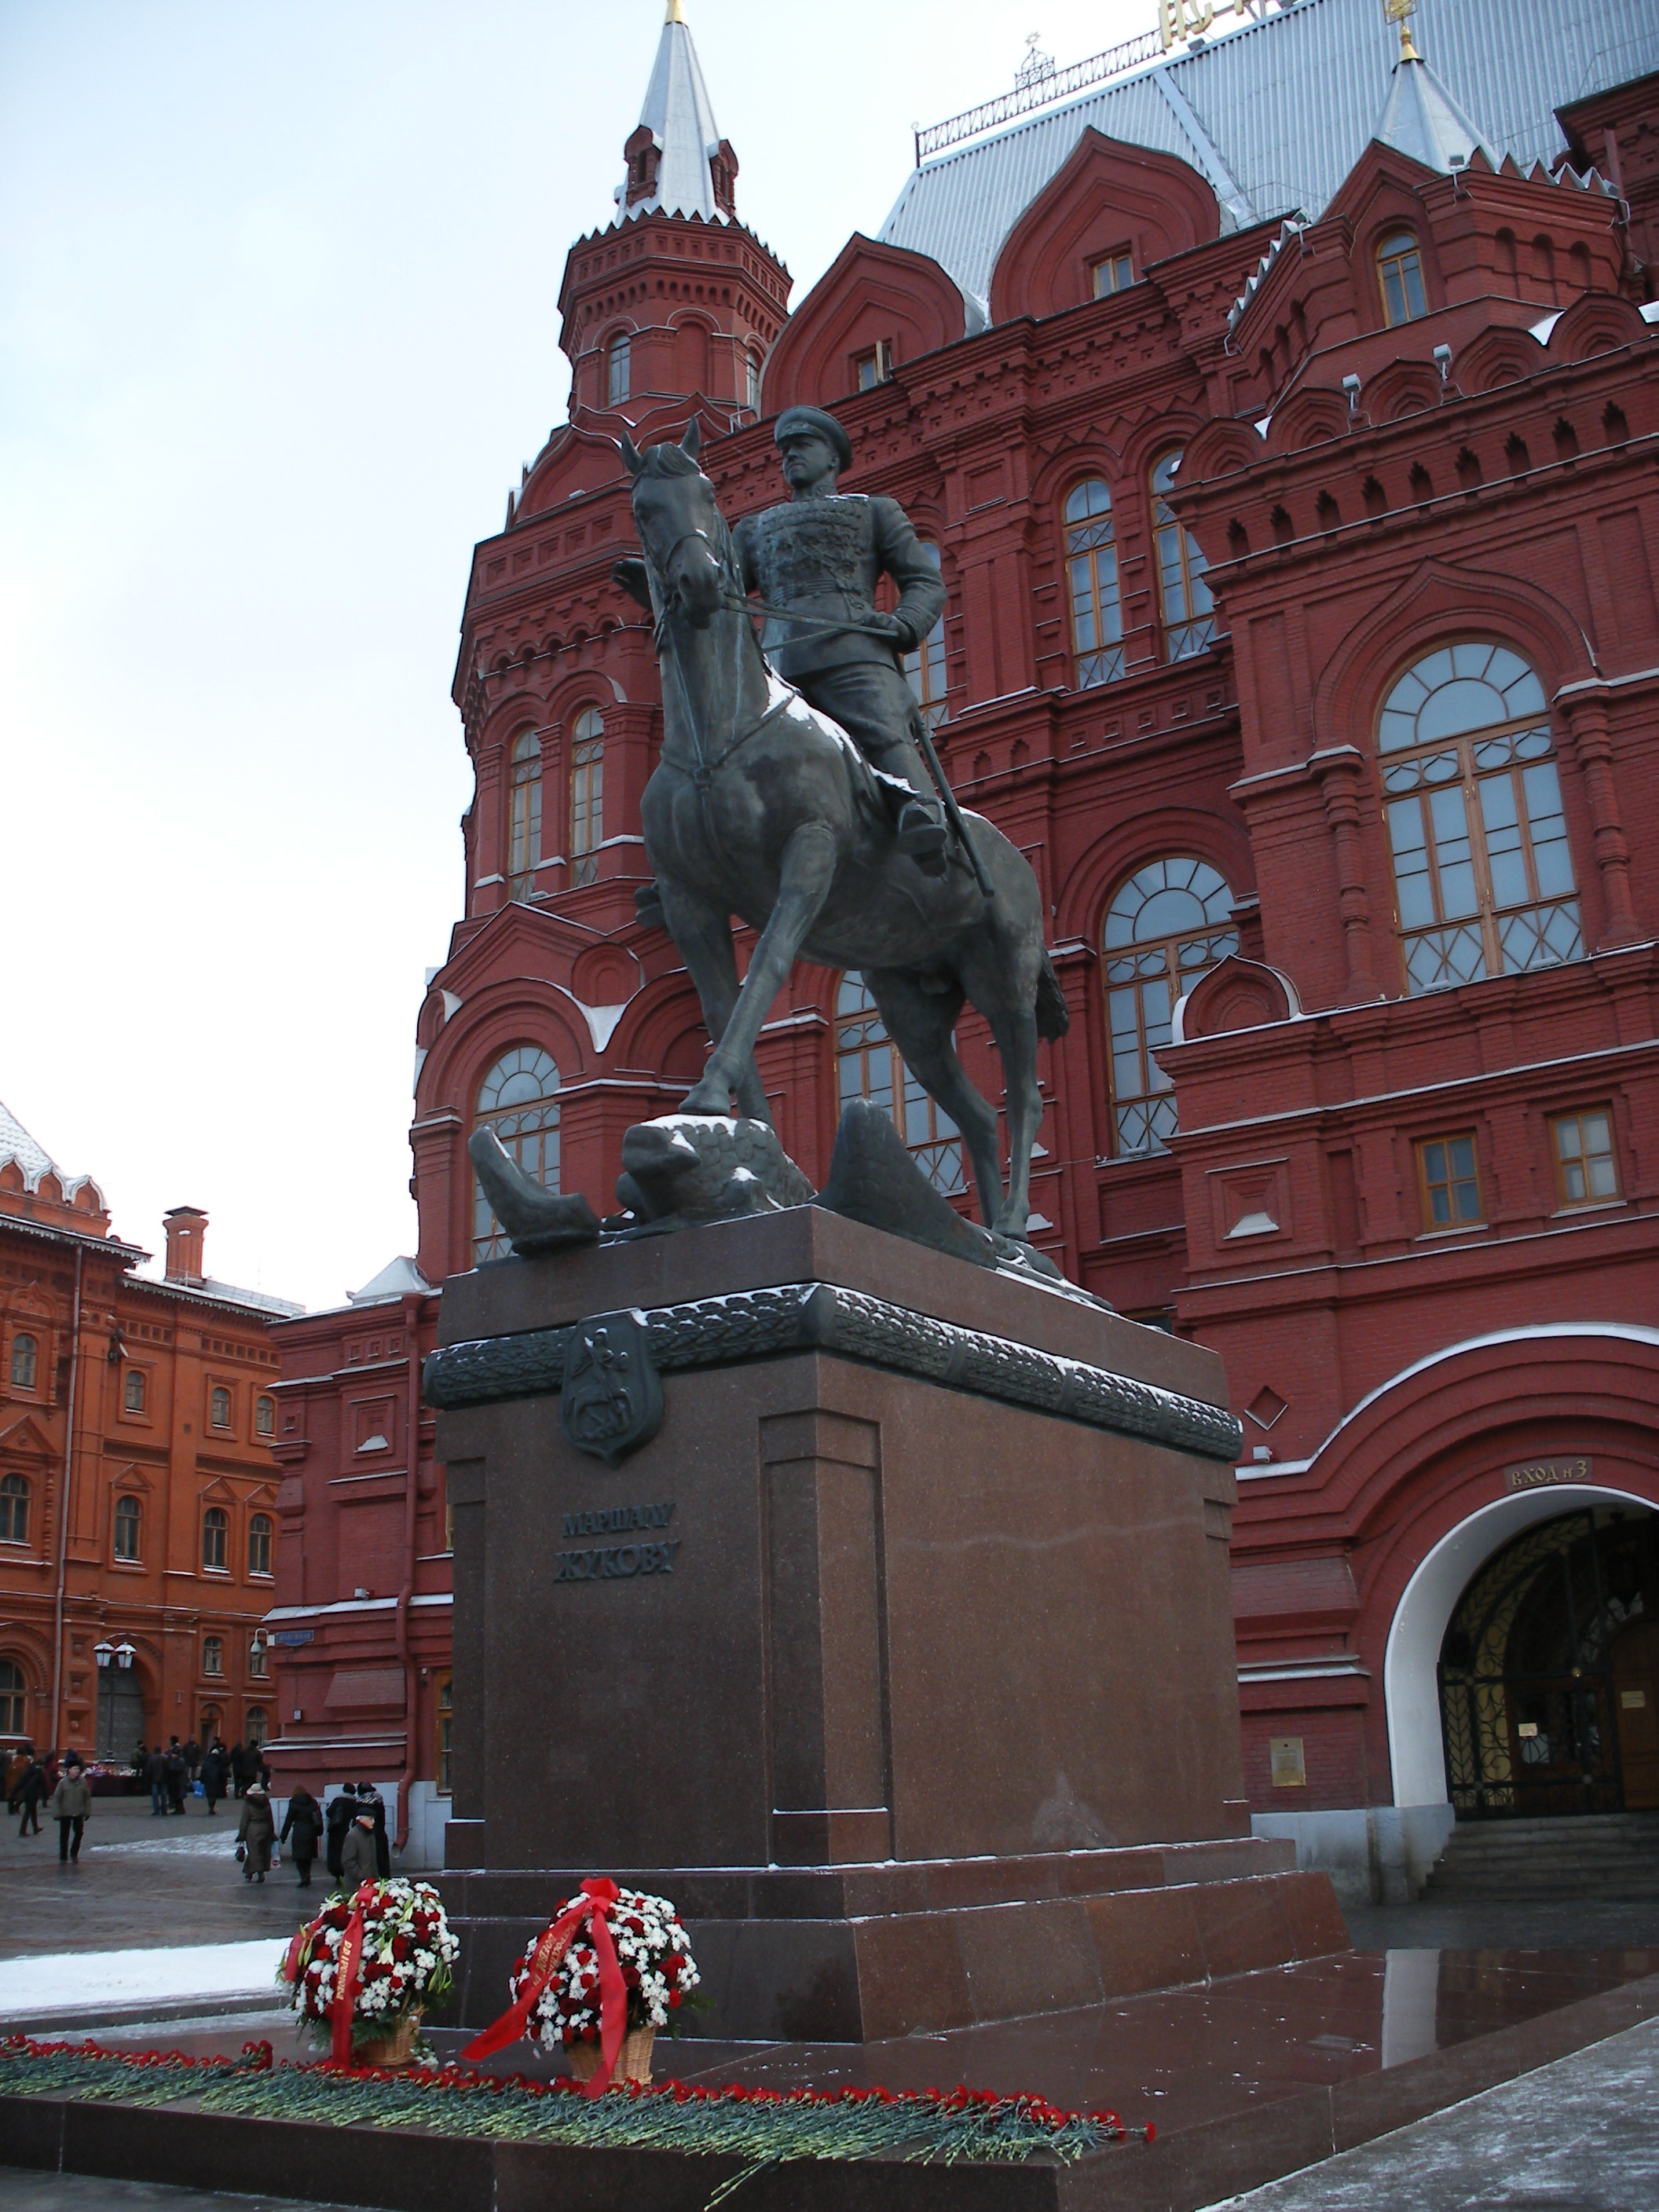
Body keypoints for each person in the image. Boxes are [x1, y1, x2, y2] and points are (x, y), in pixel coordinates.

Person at [732, 405, 950, 870]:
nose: (790, 456)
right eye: (784, 450)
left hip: (851, 653)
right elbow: (715, 588)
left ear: (832, 457)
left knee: (880, 724)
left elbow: (926, 582)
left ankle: (920, 813)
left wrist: (904, 622)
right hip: (777, 670)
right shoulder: (753, 530)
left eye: (802, 447)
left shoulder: (873, 512)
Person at [46, 1753, 91, 1864]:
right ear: (69, 1770)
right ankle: (63, 1855)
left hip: (78, 1812)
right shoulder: (63, 1783)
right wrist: (56, 1813)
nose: (76, 1771)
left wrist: (87, 1811)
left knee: (79, 1833)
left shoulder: (83, 1783)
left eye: (78, 1769)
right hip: (65, 1812)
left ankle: (74, 1853)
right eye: (74, 1769)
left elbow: (87, 1798)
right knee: (64, 1835)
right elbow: (57, 1798)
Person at [279, 1785, 323, 1888]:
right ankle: (307, 1875)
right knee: (308, 1857)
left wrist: (283, 1836)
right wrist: (319, 1830)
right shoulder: (313, 1802)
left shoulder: (294, 1803)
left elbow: (288, 1820)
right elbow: (317, 1817)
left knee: (299, 1857)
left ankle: (303, 1877)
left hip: (299, 1832)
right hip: (311, 1832)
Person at [236, 1782, 274, 1883]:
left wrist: (242, 1834)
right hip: (265, 1828)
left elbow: (245, 1820)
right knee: (263, 1851)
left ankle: (258, 1873)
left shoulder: (249, 1802)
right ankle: (250, 1873)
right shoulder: (266, 1802)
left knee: (254, 1852)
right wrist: (272, 1831)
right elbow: (270, 1818)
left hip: (253, 1829)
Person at [355, 1781, 391, 1877]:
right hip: (379, 1832)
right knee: (381, 1858)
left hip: (363, 1834)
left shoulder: (359, 1802)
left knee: (366, 1858)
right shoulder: (378, 1800)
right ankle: (384, 1878)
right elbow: (382, 1817)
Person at [338, 1807, 378, 1892]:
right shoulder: (353, 1835)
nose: (373, 1821)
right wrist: (360, 1875)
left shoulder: (370, 1835)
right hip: (355, 1885)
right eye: (370, 1819)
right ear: (361, 1819)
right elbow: (347, 1860)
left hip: (370, 1882)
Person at [324, 1783, 357, 1879]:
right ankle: (345, 1872)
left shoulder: (338, 1800)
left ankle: (337, 1873)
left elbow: (329, 1812)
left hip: (336, 1830)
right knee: (347, 1852)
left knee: (335, 1852)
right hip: (349, 1830)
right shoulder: (354, 1802)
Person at [16, 1751, 47, 1839]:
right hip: (34, 1794)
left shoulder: (29, 1770)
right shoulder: (39, 1772)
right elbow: (43, 1785)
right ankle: (23, 1831)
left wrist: (15, 1790)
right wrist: (45, 1797)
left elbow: (22, 1781)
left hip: (27, 1793)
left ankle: (35, 1828)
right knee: (28, 1812)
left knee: (33, 1812)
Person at [200, 1739, 228, 1816]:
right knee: (214, 1794)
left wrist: (202, 1779)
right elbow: (222, 1771)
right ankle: (212, 1806)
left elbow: (204, 1770)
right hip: (216, 1780)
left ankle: (210, 1806)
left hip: (208, 1780)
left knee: (209, 1793)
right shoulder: (219, 1761)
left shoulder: (207, 1761)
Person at [164, 1738, 188, 1815]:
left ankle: (180, 1810)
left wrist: (170, 1769)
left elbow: (177, 1770)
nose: (172, 1756)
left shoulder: (180, 1761)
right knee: (177, 1797)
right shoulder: (178, 1760)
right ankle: (179, 1809)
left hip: (178, 1781)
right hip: (177, 1781)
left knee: (178, 1796)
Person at [145, 1743, 167, 1818]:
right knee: (163, 1795)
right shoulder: (164, 1758)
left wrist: (148, 1779)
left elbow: (149, 1770)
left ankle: (156, 1810)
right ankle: (164, 1810)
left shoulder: (151, 1758)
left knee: (155, 1795)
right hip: (163, 1779)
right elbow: (168, 1769)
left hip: (154, 1779)